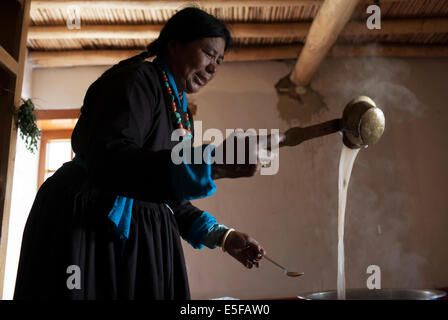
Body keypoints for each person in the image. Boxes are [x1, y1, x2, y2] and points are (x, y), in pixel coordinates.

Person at [14, 7, 275, 300]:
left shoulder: (179, 109)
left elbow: (167, 194)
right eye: (207, 52)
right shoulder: (136, 80)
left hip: (141, 240)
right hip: (89, 226)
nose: (214, 67)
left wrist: (223, 237)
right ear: (174, 45)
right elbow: (112, 162)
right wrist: (210, 163)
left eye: (219, 59)